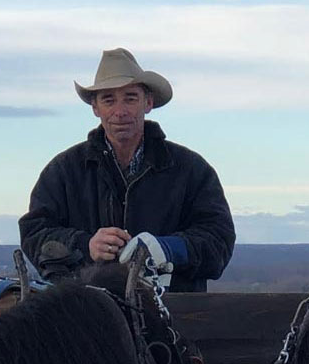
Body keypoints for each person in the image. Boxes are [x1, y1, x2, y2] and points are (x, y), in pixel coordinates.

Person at [19, 48, 236, 291]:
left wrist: (167, 249)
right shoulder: (63, 171)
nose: (120, 111)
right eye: (108, 100)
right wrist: (85, 246)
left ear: (148, 103)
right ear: (95, 108)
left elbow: (219, 240)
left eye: (130, 98)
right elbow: (34, 234)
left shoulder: (191, 170)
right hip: (85, 309)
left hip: (172, 310)